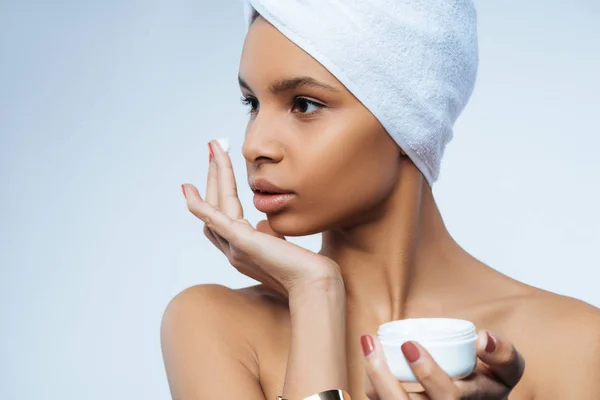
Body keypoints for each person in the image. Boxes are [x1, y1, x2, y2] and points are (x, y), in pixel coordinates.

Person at [160, 6, 600, 400]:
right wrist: (315, 293)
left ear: (409, 124)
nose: (254, 144)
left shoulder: (574, 345)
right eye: (252, 103)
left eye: (305, 104)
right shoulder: (212, 326)